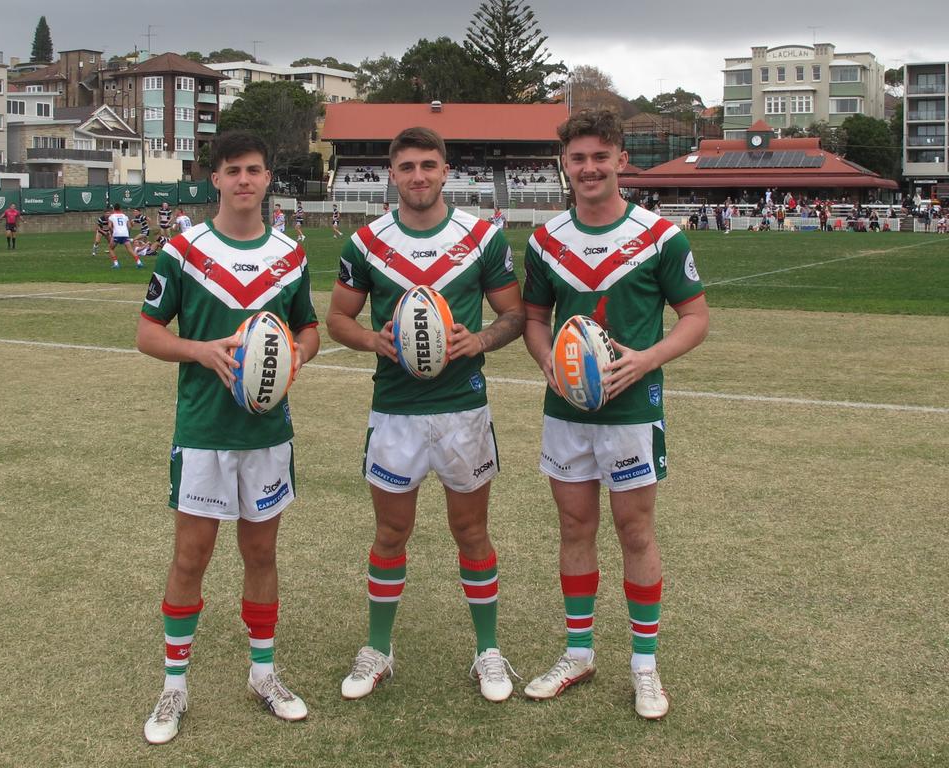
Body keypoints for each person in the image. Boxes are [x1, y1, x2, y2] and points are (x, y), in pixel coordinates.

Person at [520, 109, 708, 720]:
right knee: (574, 529)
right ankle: (578, 653)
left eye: (601, 156)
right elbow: (532, 320)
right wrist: (548, 362)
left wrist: (646, 359)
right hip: (566, 412)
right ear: (565, 165)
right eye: (578, 158)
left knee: (635, 531)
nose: (590, 168)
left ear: (621, 160)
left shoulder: (660, 237)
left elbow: (696, 319)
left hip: (632, 411)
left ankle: (645, 666)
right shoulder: (545, 240)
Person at [326, 126, 525, 703]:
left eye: (429, 165)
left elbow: (512, 315)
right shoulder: (365, 243)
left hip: (463, 409)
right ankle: (378, 649)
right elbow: (339, 318)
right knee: (391, 532)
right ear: (392, 173)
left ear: (446, 172)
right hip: (395, 411)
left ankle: (487, 651)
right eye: (407, 166)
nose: (418, 176)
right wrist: (372, 342)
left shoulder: (482, 238)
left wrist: (478, 341)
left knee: (471, 530)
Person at [136, 130, 320, 745]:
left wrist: (292, 356)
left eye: (255, 170)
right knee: (192, 557)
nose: (245, 180)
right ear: (214, 179)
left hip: (267, 434)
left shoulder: (291, 255)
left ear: (269, 179)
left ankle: (263, 673)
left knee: (261, 555)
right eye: (233, 170)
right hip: (205, 430)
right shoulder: (184, 252)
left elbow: (310, 332)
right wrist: (202, 350)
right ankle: (174, 685)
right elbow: (148, 333)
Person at [107, 203, 143, 269]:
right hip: (125, 234)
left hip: (116, 234)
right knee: (130, 249)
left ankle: (116, 264)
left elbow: (109, 226)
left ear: (113, 209)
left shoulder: (111, 217)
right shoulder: (125, 216)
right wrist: (127, 234)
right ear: (120, 208)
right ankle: (139, 262)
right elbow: (129, 226)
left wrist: (112, 233)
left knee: (110, 249)